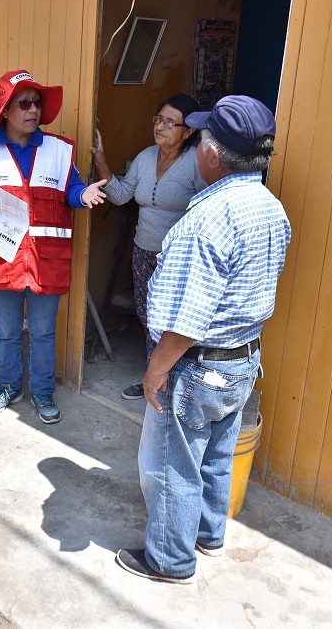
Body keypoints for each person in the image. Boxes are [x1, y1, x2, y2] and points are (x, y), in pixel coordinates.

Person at [115, 96, 291, 583]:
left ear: (212, 154)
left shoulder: (208, 218)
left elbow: (189, 320)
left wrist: (156, 368)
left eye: (200, 141)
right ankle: (209, 534)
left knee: (171, 462)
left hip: (198, 364)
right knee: (216, 449)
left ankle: (170, 561)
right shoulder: (270, 209)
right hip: (242, 359)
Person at [0, 70, 107, 424]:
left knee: (42, 331)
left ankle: (41, 390)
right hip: (3, 256)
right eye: (24, 103)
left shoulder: (59, 150)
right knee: (6, 332)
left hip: (46, 260)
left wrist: (82, 195)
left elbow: (71, 190)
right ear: (6, 110)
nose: (33, 109)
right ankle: (9, 386)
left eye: (38, 103)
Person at [90, 94, 206, 401]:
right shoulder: (145, 157)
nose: (162, 127)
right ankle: (152, 379)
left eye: (171, 122)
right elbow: (121, 195)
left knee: (176, 322)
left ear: (188, 131)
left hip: (179, 258)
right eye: (159, 119)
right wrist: (101, 160)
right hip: (143, 252)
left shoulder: (197, 162)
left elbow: (208, 208)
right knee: (148, 317)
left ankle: (176, 383)